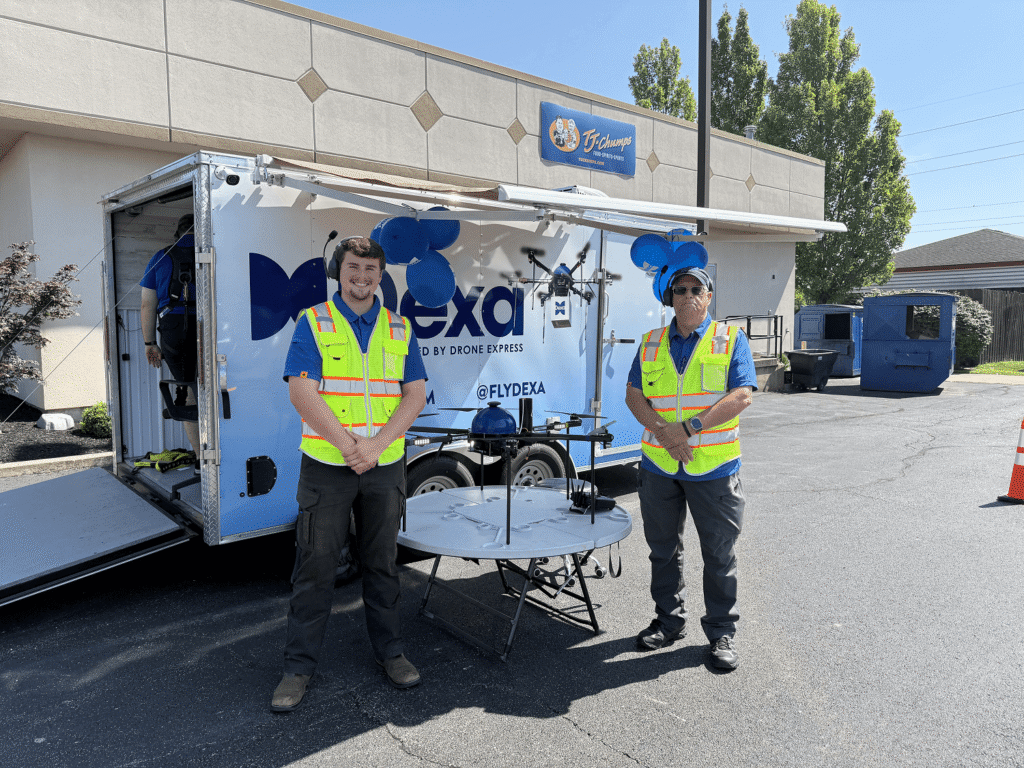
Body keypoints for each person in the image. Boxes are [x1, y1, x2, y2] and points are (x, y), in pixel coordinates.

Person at [271, 236, 427, 712]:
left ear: (382, 276)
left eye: (371, 270)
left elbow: (414, 395)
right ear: (339, 272)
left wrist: (375, 447)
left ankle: (391, 652)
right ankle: (298, 667)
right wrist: (349, 446)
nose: (363, 278)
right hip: (327, 466)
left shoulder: (400, 329)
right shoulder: (314, 321)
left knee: (382, 565)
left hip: (383, 466)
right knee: (315, 570)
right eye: (354, 268)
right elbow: (303, 392)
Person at [624, 264, 756, 670]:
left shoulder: (731, 338)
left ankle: (721, 633)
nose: (686, 295)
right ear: (670, 298)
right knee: (662, 552)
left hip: (713, 468)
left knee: (719, 555)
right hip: (660, 465)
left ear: (709, 296)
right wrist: (665, 432)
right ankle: (668, 623)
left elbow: (741, 396)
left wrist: (688, 428)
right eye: (678, 289)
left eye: (695, 288)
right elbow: (633, 396)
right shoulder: (649, 343)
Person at [139, 214, 200, 459]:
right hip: (208, 325)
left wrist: (149, 343)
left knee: (188, 390)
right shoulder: (215, 251)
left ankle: (200, 460)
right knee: (211, 389)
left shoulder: (160, 257)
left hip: (173, 328)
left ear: (178, 234)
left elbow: (146, 304)